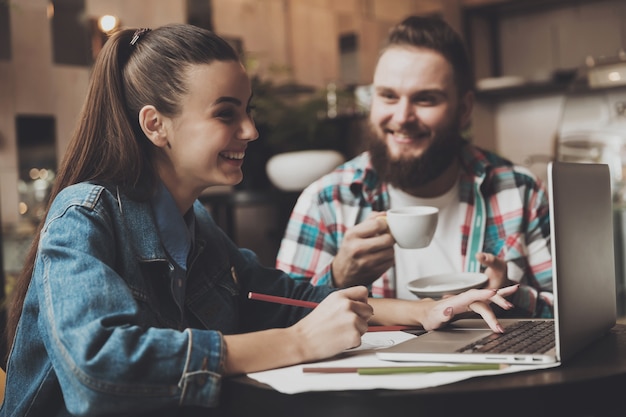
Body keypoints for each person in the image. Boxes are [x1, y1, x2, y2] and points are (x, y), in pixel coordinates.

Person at [0, 24, 518, 416]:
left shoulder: (195, 224)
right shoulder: (83, 214)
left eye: (247, 109)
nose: (250, 128)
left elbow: (286, 300)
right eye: (226, 113)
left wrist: (426, 312)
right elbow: (99, 369)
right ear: (156, 125)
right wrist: (299, 343)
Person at [276, 15, 553, 318]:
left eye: (425, 99)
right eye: (388, 96)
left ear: (463, 110)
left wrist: (509, 294)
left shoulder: (520, 191)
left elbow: (570, 312)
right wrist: (338, 277)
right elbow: (283, 320)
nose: (402, 117)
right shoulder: (325, 201)